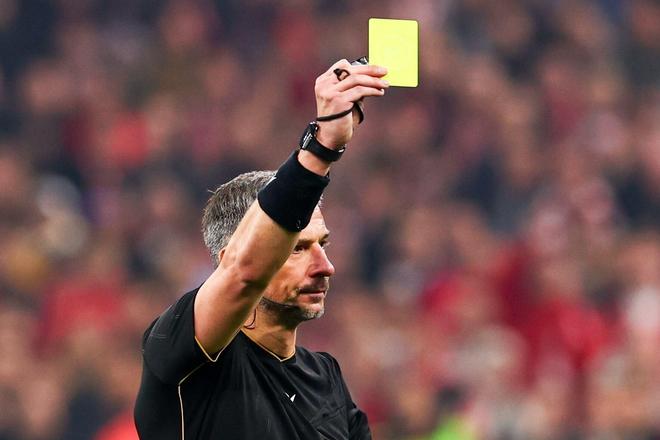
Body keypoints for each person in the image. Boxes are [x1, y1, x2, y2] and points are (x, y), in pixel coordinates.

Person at [134, 59, 389, 439]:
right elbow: (245, 274)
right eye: (297, 249)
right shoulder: (182, 353)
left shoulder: (327, 379)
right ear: (228, 257)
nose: (325, 266)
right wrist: (320, 147)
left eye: (322, 244)